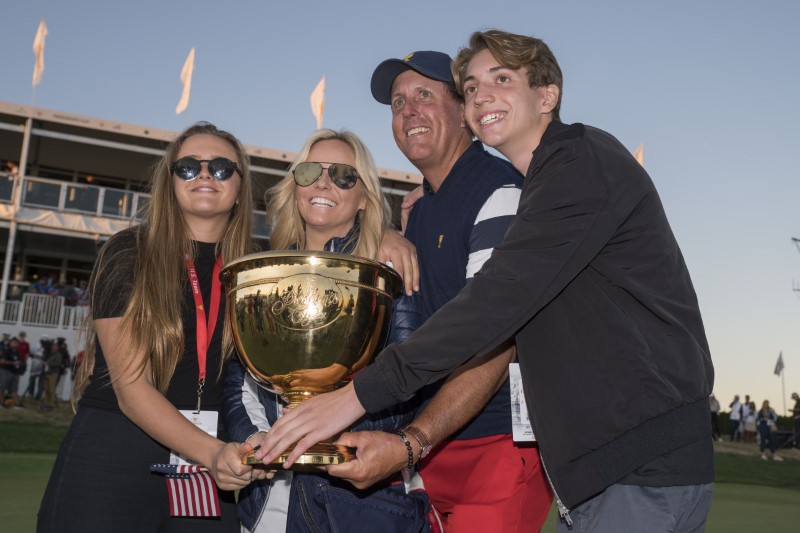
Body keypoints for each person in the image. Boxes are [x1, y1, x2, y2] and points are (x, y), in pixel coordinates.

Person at [257, 29, 716, 533]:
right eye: (472, 86)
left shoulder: (576, 163)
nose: (482, 96)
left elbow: (494, 306)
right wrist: (384, 228)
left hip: (633, 460)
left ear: (547, 95)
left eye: (501, 79)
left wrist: (357, 399)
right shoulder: (496, 191)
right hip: (591, 465)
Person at [325, 51, 552, 532]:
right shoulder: (421, 209)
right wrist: (381, 229)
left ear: (463, 110)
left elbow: (495, 340)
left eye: (424, 95)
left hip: (495, 443)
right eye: (396, 102)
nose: (407, 110)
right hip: (431, 446)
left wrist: (413, 442)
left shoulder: (500, 192)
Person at [38, 122, 259, 532]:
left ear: (241, 185)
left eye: (222, 168)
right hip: (116, 447)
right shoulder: (128, 251)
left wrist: (387, 237)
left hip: (219, 457)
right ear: (169, 181)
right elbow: (132, 388)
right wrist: (211, 453)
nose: (206, 175)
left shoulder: (259, 266)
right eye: (188, 167)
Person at [222, 129, 430, 533]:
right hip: (267, 501)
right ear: (294, 186)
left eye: (343, 176)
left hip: (357, 503)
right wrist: (255, 436)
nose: (323, 182)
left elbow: (407, 381)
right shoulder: (264, 271)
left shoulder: (387, 274)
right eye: (310, 172)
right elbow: (238, 379)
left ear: (365, 197)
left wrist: (322, 437)